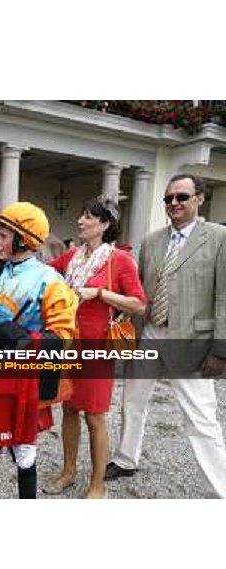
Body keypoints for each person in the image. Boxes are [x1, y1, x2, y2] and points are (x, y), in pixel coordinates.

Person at [105, 173, 226, 498]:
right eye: (169, 198)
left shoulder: (218, 237)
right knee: (132, 402)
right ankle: (126, 458)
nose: (174, 203)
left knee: (201, 419)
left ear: (199, 198)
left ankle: (221, 491)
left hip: (192, 342)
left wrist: (221, 350)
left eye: (182, 197)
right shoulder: (151, 240)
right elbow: (140, 292)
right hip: (150, 334)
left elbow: (224, 297)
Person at [0, 201, 78, 499]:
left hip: (22, 377)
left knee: (23, 448)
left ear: (23, 239)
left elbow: (61, 335)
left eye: (4, 235)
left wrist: (18, 340)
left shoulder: (50, 281)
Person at [43, 197, 147, 498]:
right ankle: (68, 471)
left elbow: (139, 304)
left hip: (98, 348)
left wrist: (100, 292)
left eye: (87, 217)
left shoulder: (119, 260)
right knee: (70, 410)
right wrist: (6, 253)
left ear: (104, 224)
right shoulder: (72, 256)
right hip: (69, 343)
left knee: (95, 416)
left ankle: (97, 485)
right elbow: (42, 273)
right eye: (81, 215)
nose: (80, 221)